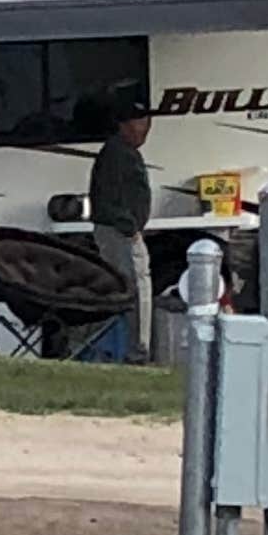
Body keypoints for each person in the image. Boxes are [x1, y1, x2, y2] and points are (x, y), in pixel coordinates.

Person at [90, 93, 157, 357]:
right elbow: (110, 198)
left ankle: (128, 347)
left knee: (127, 286)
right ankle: (137, 351)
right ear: (124, 125)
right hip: (120, 232)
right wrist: (130, 228)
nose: (145, 129)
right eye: (140, 123)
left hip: (120, 230)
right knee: (136, 287)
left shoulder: (122, 151)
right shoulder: (118, 154)